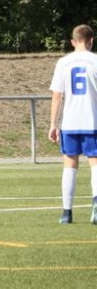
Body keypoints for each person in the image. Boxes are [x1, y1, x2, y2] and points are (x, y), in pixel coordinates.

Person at [48, 24, 97, 225]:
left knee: (69, 165)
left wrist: (53, 124)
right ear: (91, 41)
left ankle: (66, 213)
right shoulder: (95, 61)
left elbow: (57, 96)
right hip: (93, 121)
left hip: (70, 122)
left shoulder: (63, 62)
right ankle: (96, 205)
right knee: (95, 164)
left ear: (72, 42)